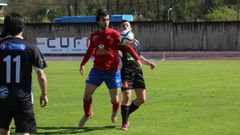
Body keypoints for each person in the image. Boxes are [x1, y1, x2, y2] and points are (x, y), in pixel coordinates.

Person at [78, 9, 142, 127]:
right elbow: (89, 51)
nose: (106, 22)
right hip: (96, 70)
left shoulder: (115, 34)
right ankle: (88, 114)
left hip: (112, 72)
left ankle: (114, 111)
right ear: (98, 21)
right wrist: (82, 64)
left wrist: (137, 58)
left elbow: (127, 47)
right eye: (103, 20)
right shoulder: (94, 36)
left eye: (107, 20)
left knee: (114, 99)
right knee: (86, 95)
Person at [0, 12, 48, 135]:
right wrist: (44, 94)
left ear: (5, 28)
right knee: (24, 131)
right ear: (22, 28)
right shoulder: (31, 48)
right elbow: (41, 76)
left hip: (2, 96)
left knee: (2, 130)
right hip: (23, 99)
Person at [119, 20, 156, 131]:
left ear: (130, 28)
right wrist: (117, 53)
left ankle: (126, 113)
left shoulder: (136, 42)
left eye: (127, 25)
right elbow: (115, 52)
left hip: (138, 72)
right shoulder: (120, 42)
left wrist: (148, 63)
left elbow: (139, 57)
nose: (125, 26)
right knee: (127, 96)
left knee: (142, 99)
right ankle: (124, 122)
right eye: (123, 26)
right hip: (126, 72)